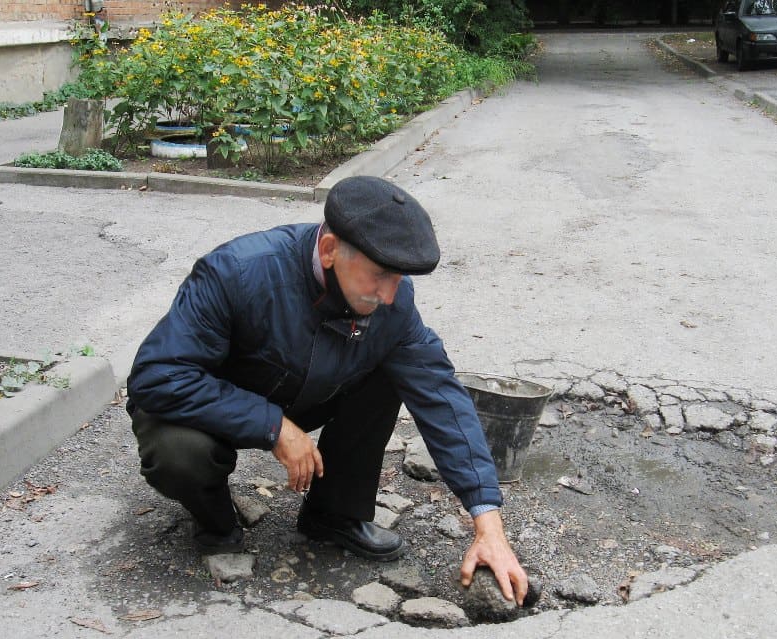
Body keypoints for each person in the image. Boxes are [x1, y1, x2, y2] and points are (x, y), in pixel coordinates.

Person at [125, 175, 529, 604]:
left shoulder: (392, 303)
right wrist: (274, 426)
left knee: (394, 371)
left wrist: (488, 522)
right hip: (215, 405)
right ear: (330, 250)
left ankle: (334, 514)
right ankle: (216, 520)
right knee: (179, 452)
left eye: (400, 278)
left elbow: (441, 398)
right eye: (381, 276)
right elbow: (158, 376)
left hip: (301, 393)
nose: (391, 296)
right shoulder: (239, 272)